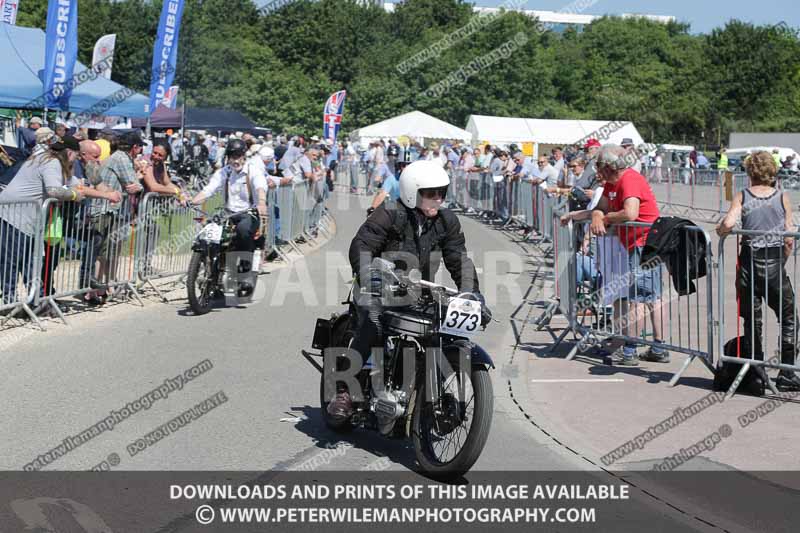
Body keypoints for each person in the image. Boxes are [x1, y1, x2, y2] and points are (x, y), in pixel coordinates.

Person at [328, 160, 492, 418]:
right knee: (373, 322)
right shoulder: (389, 212)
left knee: (442, 328)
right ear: (411, 193)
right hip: (377, 288)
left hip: (417, 293)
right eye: (430, 193)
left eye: (441, 193)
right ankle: (345, 390)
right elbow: (362, 245)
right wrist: (369, 273)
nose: (438, 199)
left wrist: (472, 294)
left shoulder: (447, 221)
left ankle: (424, 389)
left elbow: (458, 259)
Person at [566, 144, 667, 366]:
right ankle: (657, 348)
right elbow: (601, 207)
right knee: (647, 296)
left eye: (599, 166)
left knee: (639, 297)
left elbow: (630, 213)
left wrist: (605, 218)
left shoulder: (629, 179)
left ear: (609, 166)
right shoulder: (612, 182)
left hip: (645, 244)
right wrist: (596, 216)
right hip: (636, 243)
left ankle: (630, 351)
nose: (597, 172)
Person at [717, 151, 800, 391]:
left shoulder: (743, 195)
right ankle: (787, 371)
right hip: (773, 263)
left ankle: (755, 372)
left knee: (752, 320)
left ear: (750, 172)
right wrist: (780, 263)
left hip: (748, 264)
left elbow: (729, 224)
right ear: (772, 171)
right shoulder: (782, 197)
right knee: (788, 317)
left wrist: (721, 230)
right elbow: (789, 238)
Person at [0, 136, 87, 306]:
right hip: (14, 215)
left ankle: (36, 300)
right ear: (70, 153)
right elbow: (54, 190)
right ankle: (10, 302)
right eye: (77, 155)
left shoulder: (46, 159)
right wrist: (74, 195)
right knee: (12, 260)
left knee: (31, 261)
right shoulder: (52, 163)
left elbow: (74, 184)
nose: (76, 160)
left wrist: (104, 193)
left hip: (24, 216)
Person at [191, 138, 268, 280]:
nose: (235, 160)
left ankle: (246, 264)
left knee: (243, 230)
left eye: (238, 156)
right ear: (228, 157)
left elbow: (260, 187)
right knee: (210, 230)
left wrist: (262, 202)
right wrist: (193, 201)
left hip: (248, 212)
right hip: (228, 213)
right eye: (232, 157)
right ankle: (213, 265)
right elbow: (209, 190)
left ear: (244, 156)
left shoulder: (253, 171)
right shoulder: (224, 172)